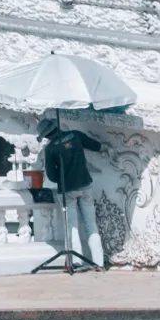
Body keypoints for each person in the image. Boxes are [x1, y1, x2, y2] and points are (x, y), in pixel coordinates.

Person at [38, 114, 105, 267]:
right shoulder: (76, 135)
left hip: (67, 189)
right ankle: (99, 262)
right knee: (90, 224)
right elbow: (97, 146)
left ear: (46, 135)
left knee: (72, 225)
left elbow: (52, 176)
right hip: (85, 184)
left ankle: (76, 260)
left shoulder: (50, 149)